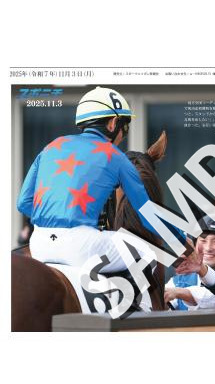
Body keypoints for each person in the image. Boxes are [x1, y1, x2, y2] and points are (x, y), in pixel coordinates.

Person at [17, 86, 182, 273]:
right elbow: (147, 215)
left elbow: (23, 203)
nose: (123, 136)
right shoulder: (115, 156)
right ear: (113, 124)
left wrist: (58, 218)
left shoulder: (51, 147)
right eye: (125, 128)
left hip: (39, 244)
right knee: (147, 253)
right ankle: (121, 294)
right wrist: (182, 241)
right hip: (79, 245)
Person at [165, 216, 215, 310]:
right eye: (203, 241)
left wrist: (181, 293)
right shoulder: (177, 282)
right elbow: (160, 311)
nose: (208, 248)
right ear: (194, 245)